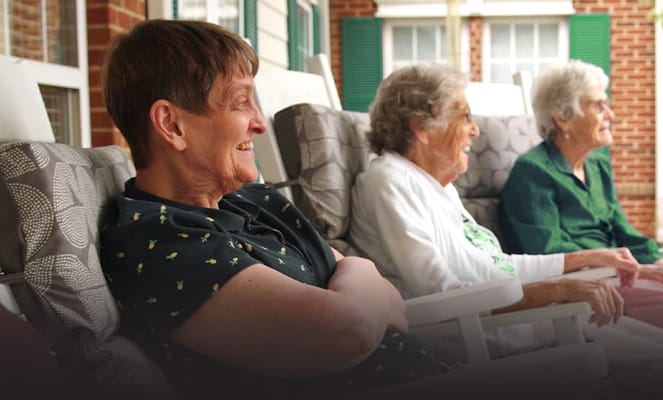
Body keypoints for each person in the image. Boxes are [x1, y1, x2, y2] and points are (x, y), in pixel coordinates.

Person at [99, 20, 442, 398]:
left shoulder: (254, 200)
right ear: (172, 125)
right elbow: (348, 331)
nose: (260, 123)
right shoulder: (160, 242)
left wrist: (357, 275)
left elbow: (389, 303)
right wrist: (357, 284)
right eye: (240, 101)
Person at [349, 64, 663, 398]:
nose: (475, 130)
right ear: (420, 128)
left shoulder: (439, 188)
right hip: (477, 341)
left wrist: (581, 260)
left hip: (521, 324)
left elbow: (498, 266)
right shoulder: (389, 181)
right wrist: (557, 290)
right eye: (465, 116)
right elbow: (441, 291)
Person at [497, 60, 663, 395]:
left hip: (621, 273)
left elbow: (623, 231)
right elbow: (547, 252)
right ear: (563, 118)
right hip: (583, 283)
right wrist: (638, 269)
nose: (610, 113)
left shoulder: (596, 165)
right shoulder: (532, 173)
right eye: (599, 105)